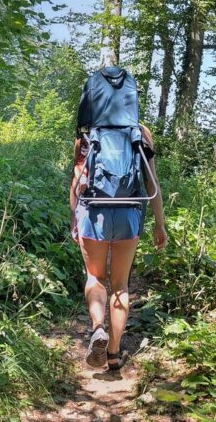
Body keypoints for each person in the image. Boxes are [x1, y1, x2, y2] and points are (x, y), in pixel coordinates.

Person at [69, 123, 167, 370]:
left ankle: (98, 327)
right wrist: (159, 224)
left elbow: (77, 179)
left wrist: (74, 219)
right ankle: (113, 353)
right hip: (128, 213)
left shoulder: (87, 133)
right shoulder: (141, 132)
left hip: (93, 213)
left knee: (95, 276)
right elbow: (151, 183)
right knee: (121, 285)